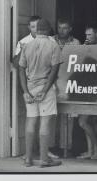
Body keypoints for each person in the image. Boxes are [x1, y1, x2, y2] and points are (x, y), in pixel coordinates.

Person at [19, 18, 62, 168]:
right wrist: (44, 91)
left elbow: (21, 69)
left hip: (30, 89)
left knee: (30, 121)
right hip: (46, 89)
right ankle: (44, 159)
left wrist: (25, 91)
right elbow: (54, 72)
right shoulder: (53, 45)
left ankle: (28, 159)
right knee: (45, 122)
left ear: (36, 30)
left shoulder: (27, 45)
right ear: (49, 30)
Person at [53, 19, 80, 157]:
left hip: (69, 80)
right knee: (53, 115)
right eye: (59, 27)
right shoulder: (51, 40)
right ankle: (53, 146)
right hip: (53, 81)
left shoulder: (75, 43)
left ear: (70, 29)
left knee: (69, 115)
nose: (61, 30)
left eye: (64, 28)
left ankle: (67, 147)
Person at [76, 26, 97, 160]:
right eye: (86, 35)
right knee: (89, 122)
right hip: (86, 90)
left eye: (90, 35)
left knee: (83, 121)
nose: (87, 37)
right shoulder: (86, 47)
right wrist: (82, 49)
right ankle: (91, 151)